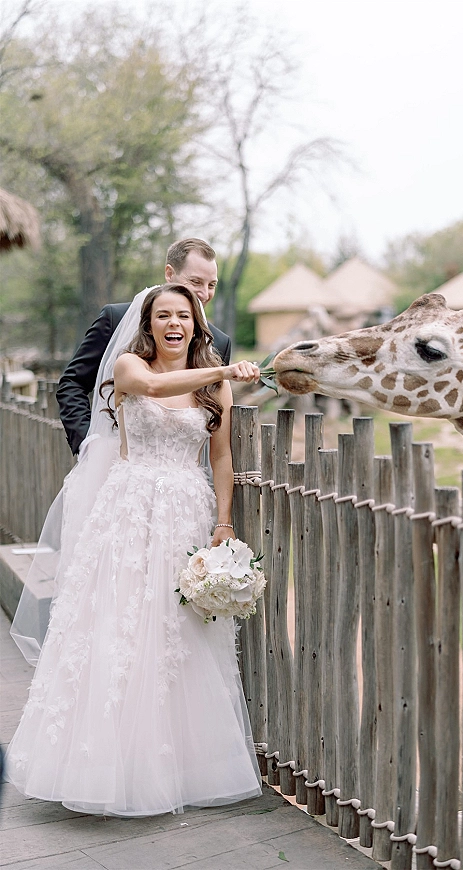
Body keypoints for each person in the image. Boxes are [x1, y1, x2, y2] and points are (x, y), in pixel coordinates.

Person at [5, 283, 263, 816]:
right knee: (116, 625)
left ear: (197, 324)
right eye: (163, 315)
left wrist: (223, 522)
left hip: (185, 512)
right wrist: (223, 371)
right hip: (125, 511)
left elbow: (220, 460)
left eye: (184, 316)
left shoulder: (216, 391)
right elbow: (151, 383)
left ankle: (178, 768)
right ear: (148, 325)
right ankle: (96, 762)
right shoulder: (126, 366)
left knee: (175, 634)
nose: (174, 323)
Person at [57, 238, 230, 456]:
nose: (204, 294)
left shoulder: (220, 343)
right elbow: (72, 384)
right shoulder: (115, 318)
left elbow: (215, 419)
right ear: (169, 273)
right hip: (112, 463)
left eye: (211, 284)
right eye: (195, 282)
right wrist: (89, 444)